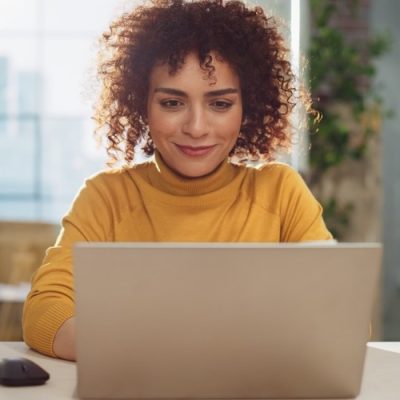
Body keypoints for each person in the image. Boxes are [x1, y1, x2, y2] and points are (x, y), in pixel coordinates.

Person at [23, 0, 333, 361]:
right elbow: (45, 311)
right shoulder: (106, 197)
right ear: (142, 104)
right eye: (172, 103)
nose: (196, 128)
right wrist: (156, 352)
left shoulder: (280, 192)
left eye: (220, 104)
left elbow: (336, 316)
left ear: (247, 107)